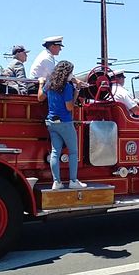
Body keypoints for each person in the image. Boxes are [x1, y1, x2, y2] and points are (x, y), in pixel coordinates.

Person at [37, 60, 86, 190]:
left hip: (51, 122)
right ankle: (73, 181)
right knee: (73, 152)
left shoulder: (50, 84)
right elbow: (69, 107)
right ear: (67, 73)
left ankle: (56, 182)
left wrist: (41, 83)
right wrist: (77, 92)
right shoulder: (67, 87)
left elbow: (40, 97)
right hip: (65, 122)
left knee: (55, 152)